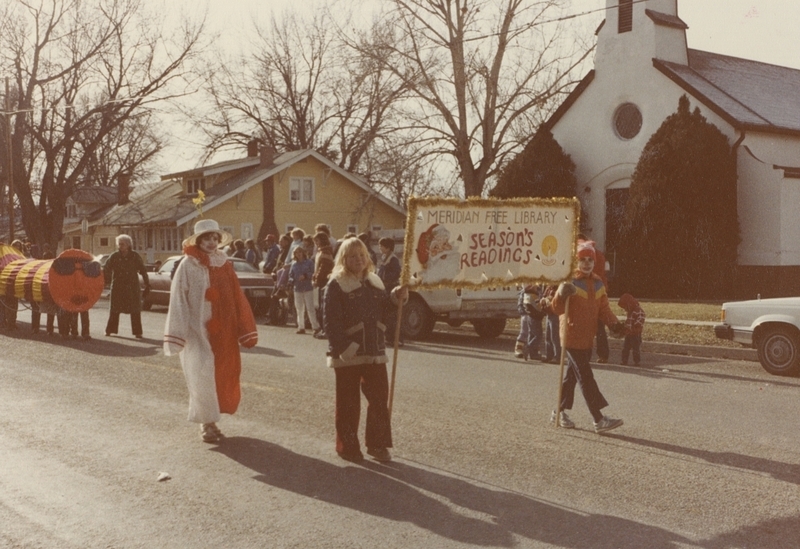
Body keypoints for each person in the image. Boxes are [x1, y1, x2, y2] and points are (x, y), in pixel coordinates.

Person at [164, 219, 258, 443]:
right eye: (207, 238)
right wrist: (178, 331)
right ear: (198, 240)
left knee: (220, 375)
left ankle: (212, 420)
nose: (211, 242)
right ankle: (206, 424)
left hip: (222, 329)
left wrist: (244, 327)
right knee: (201, 374)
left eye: (215, 238)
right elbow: (178, 298)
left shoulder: (224, 264)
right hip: (196, 330)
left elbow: (237, 296)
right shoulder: (187, 265)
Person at [324, 237, 407, 462]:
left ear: (367, 257)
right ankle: (348, 446)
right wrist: (343, 348)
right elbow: (331, 322)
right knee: (348, 402)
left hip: (374, 349)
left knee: (379, 399)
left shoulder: (375, 282)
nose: (358, 260)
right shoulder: (336, 284)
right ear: (344, 259)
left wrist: (395, 297)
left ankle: (378, 445)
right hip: (348, 353)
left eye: (361, 255)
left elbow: (385, 311)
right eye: (352, 256)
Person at [546, 240, 625, 434]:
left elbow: (604, 309)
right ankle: (598, 419)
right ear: (575, 261)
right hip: (571, 336)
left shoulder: (598, 283)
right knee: (585, 376)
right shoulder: (569, 281)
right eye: (583, 260)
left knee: (571, 377)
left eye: (590, 259)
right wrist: (561, 294)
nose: (587, 263)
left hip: (587, 337)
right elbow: (556, 309)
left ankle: (558, 411)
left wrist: (614, 324)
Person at [104, 234, 149, 338]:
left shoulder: (135, 256)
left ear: (128, 245)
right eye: (119, 244)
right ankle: (110, 330)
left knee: (135, 310)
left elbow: (143, 270)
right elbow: (106, 268)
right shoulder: (114, 256)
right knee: (114, 309)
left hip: (132, 287)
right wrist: (105, 281)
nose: (120, 246)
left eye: (122, 244)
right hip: (118, 286)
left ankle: (138, 332)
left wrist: (147, 283)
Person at [578, 234, 610, 363]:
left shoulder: (580, 253)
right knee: (599, 325)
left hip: (586, 290)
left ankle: (586, 353)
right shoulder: (598, 254)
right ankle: (603, 354)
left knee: (585, 325)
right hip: (600, 289)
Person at [376, 236, 403, 346]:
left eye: (381, 246)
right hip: (384, 289)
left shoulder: (393, 259)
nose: (380, 248)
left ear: (387, 248)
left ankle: (395, 339)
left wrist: (385, 277)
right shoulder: (384, 257)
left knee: (391, 316)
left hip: (390, 289)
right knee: (385, 315)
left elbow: (396, 273)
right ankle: (388, 337)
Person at [288, 247, 320, 335]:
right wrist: (291, 281)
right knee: (299, 308)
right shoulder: (294, 264)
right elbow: (291, 275)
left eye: (300, 252)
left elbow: (314, 273)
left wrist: (306, 276)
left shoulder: (309, 262)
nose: (298, 254)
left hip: (308, 287)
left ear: (303, 253)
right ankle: (301, 327)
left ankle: (315, 327)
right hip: (297, 288)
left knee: (310, 308)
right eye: (296, 253)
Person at [312, 231, 334, 338]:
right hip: (321, 281)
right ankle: (323, 329)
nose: (316, 242)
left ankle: (326, 331)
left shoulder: (325, 252)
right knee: (320, 306)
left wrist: (316, 279)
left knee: (323, 307)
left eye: (317, 240)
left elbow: (323, 268)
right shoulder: (321, 251)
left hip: (324, 281)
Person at [517, 284, 544, 360]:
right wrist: (543, 310)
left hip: (530, 316)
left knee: (531, 334)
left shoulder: (527, 295)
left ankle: (533, 354)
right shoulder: (532, 296)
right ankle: (528, 347)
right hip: (535, 317)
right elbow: (537, 307)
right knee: (538, 335)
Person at [618, 293, 646, 366]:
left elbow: (640, 321)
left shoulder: (638, 311)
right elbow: (628, 322)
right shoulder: (630, 312)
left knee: (636, 349)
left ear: (629, 304)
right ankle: (624, 361)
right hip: (629, 334)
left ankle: (637, 362)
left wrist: (634, 328)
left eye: (625, 307)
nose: (625, 309)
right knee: (625, 348)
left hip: (636, 334)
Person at [541, 284, 561, 363]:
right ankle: (549, 355)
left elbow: (559, 299)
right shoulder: (549, 286)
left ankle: (557, 357)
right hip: (549, 313)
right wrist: (543, 299)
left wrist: (550, 299)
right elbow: (544, 295)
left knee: (555, 337)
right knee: (548, 336)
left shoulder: (559, 286)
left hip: (555, 313)